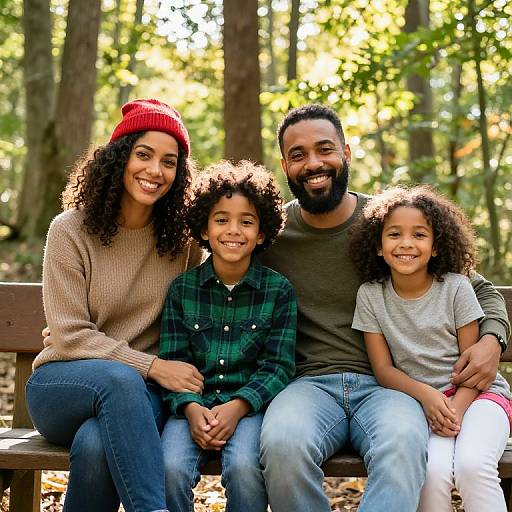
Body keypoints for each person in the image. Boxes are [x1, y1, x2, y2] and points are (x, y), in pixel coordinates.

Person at [257, 104, 511, 511]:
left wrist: (493, 339)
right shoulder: (270, 235)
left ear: (347, 153)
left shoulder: (387, 223)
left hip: (390, 389)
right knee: (283, 445)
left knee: (404, 446)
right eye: (299, 155)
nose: (314, 163)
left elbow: (478, 289)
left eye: (325, 149)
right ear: (285, 166)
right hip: (307, 386)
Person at [26, 99, 204, 512]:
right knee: (119, 381)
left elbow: (208, 305)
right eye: (143, 154)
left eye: (169, 162)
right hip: (62, 386)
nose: (155, 171)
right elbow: (69, 338)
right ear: (119, 157)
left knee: (94, 443)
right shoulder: (70, 230)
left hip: (140, 400)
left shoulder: (184, 243)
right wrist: (153, 366)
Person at [350, 185, 511, 512]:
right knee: (430, 471)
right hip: (426, 406)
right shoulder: (370, 295)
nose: (406, 243)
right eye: (394, 234)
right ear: (378, 246)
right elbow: (383, 370)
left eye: (419, 235)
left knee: (472, 465)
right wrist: (428, 398)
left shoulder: (456, 287)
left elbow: (472, 367)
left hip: (479, 397)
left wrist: (455, 410)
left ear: (436, 246)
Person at [159, 161, 297, 512]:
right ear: (204, 228)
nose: (233, 230)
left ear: (262, 233)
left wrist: (238, 407)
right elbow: (174, 361)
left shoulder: (278, 290)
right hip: (190, 408)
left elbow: (278, 366)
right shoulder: (182, 289)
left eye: (246, 222)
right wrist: (190, 409)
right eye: (221, 219)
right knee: (169, 468)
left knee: (245, 468)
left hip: (248, 409)